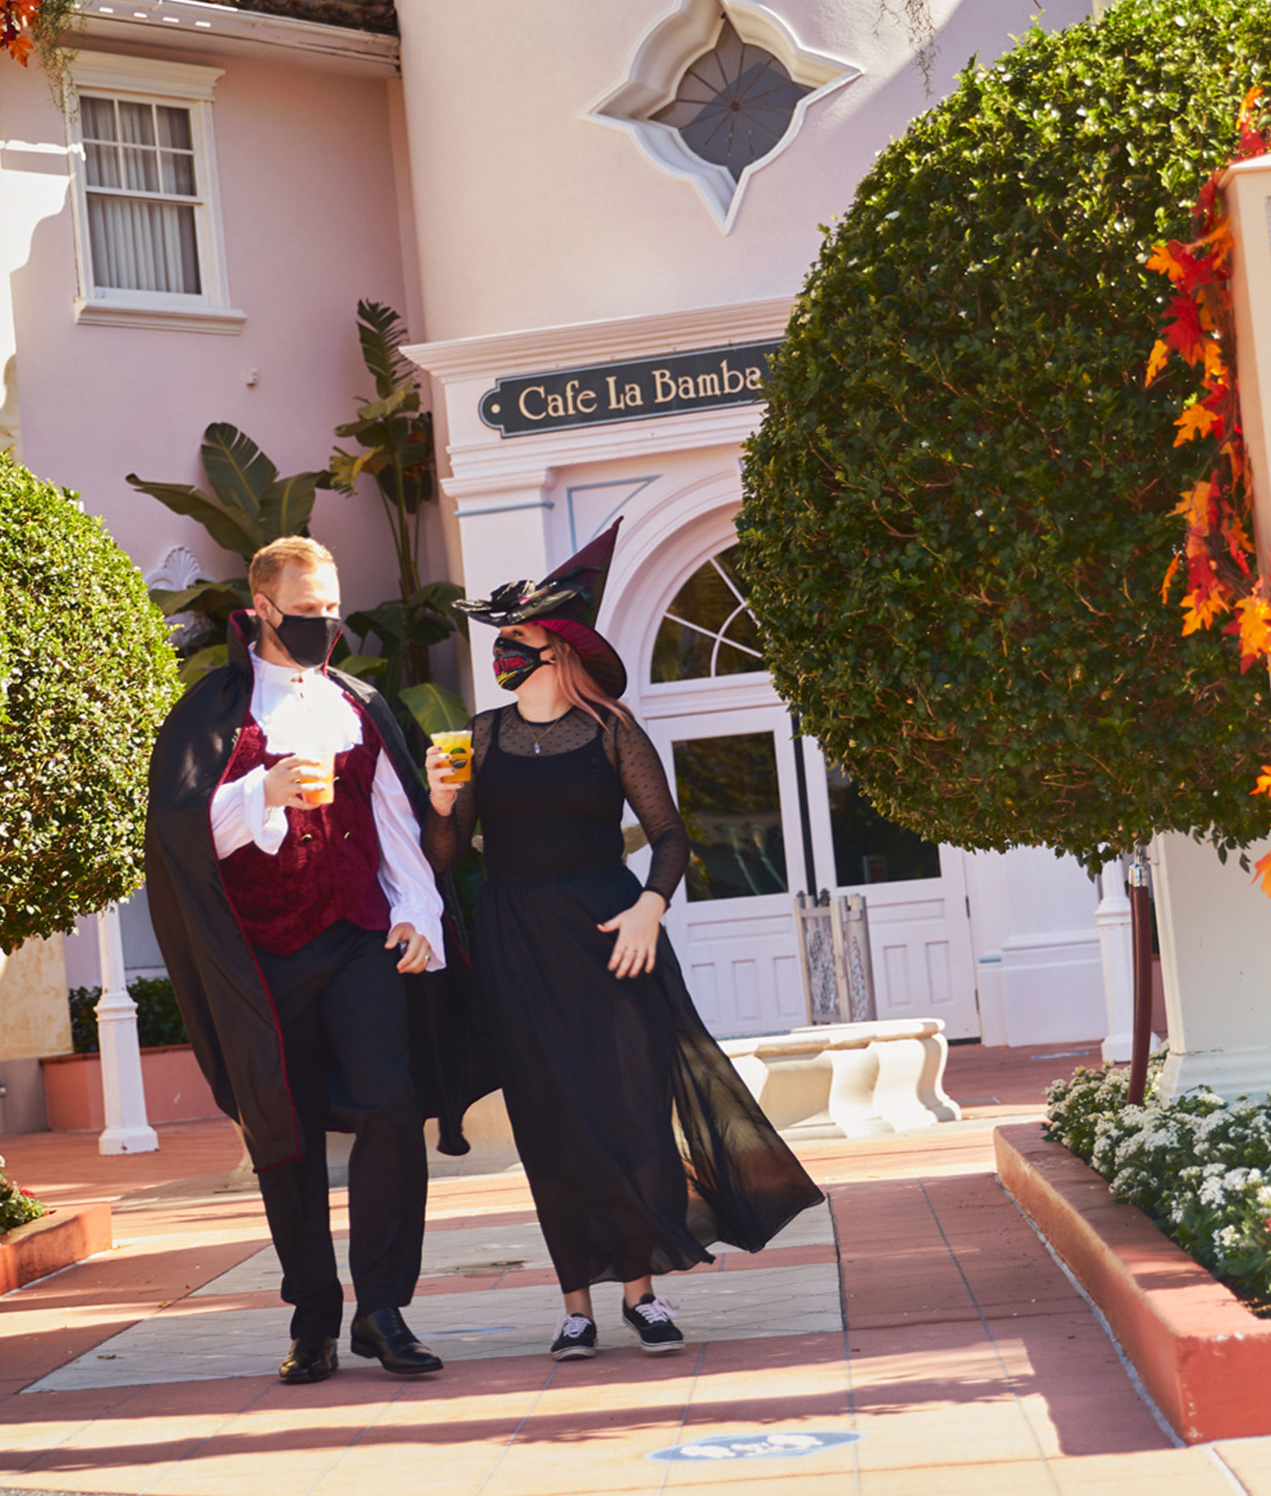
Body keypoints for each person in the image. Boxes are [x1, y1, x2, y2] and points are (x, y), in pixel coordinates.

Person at [423, 522, 823, 1360]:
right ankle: (575, 1308)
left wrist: (650, 907)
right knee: (549, 1122)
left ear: (558, 648)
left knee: (632, 1108)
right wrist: (437, 800)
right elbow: (448, 858)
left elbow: (672, 836)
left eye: (517, 639)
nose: (503, 651)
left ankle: (642, 1295)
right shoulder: (482, 737)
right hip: (517, 944)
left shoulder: (611, 729)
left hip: (612, 934)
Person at [144, 535, 463, 1385]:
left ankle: (385, 1310)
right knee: (281, 1135)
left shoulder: (358, 703)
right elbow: (178, 838)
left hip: (361, 936)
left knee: (392, 1111)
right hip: (262, 956)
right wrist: (260, 794)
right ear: (263, 612)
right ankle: (313, 1318)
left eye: (334, 609)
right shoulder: (214, 709)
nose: (328, 624)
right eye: (310, 612)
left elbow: (395, 820)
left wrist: (418, 913)